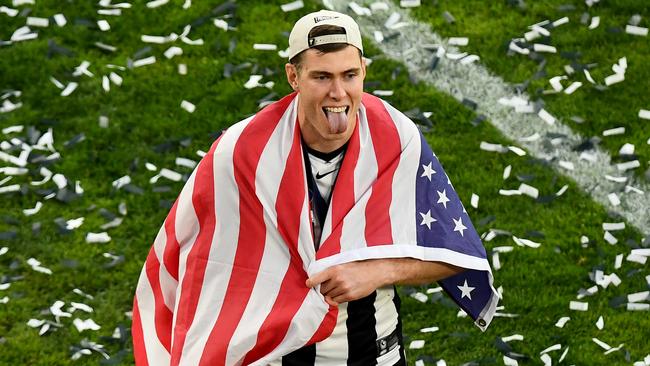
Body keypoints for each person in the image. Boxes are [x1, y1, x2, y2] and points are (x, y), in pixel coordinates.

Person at [132, 10, 498, 366]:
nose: (338, 92)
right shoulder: (242, 151)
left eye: (349, 75)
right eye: (322, 77)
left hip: (375, 352)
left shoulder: (396, 138)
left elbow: (454, 253)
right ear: (293, 76)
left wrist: (379, 271)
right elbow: (201, 262)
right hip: (278, 355)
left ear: (364, 70)